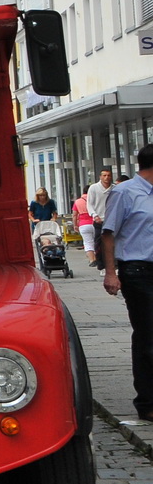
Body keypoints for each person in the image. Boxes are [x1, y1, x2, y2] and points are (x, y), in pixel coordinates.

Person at [101, 144, 153, 421]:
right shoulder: (125, 192)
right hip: (137, 271)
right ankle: (147, 402)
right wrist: (111, 272)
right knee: (148, 336)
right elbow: (108, 233)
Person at [87, 168, 116, 266]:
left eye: (108, 175)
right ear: (100, 177)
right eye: (104, 175)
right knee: (99, 242)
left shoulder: (114, 188)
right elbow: (89, 204)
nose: (106, 177)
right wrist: (94, 215)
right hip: (99, 219)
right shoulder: (94, 188)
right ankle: (100, 264)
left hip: (111, 220)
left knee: (113, 242)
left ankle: (113, 263)